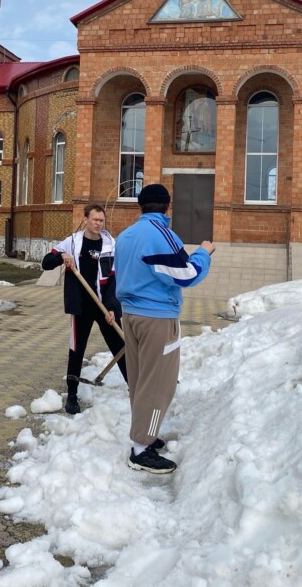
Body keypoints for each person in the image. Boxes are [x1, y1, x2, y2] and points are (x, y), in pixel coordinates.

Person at [115, 183, 214, 474]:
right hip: (157, 317)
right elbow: (185, 274)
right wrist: (204, 253)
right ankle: (141, 449)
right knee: (159, 383)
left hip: (130, 315)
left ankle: (143, 435)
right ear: (167, 207)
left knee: (140, 379)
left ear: (140, 206)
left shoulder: (126, 236)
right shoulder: (161, 235)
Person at [42, 204, 126, 415]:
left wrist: (112, 308)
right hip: (82, 307)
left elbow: (114, 279)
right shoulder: (72, 242)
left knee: (121, 345)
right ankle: (72, 394)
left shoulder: (110, 245)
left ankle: (136, 387)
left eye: (101, 220)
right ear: (86, 219)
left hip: (104, 306)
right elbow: (46, 263)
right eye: (95, 219)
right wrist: (62, 257)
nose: (98, 224)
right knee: (76, 350)